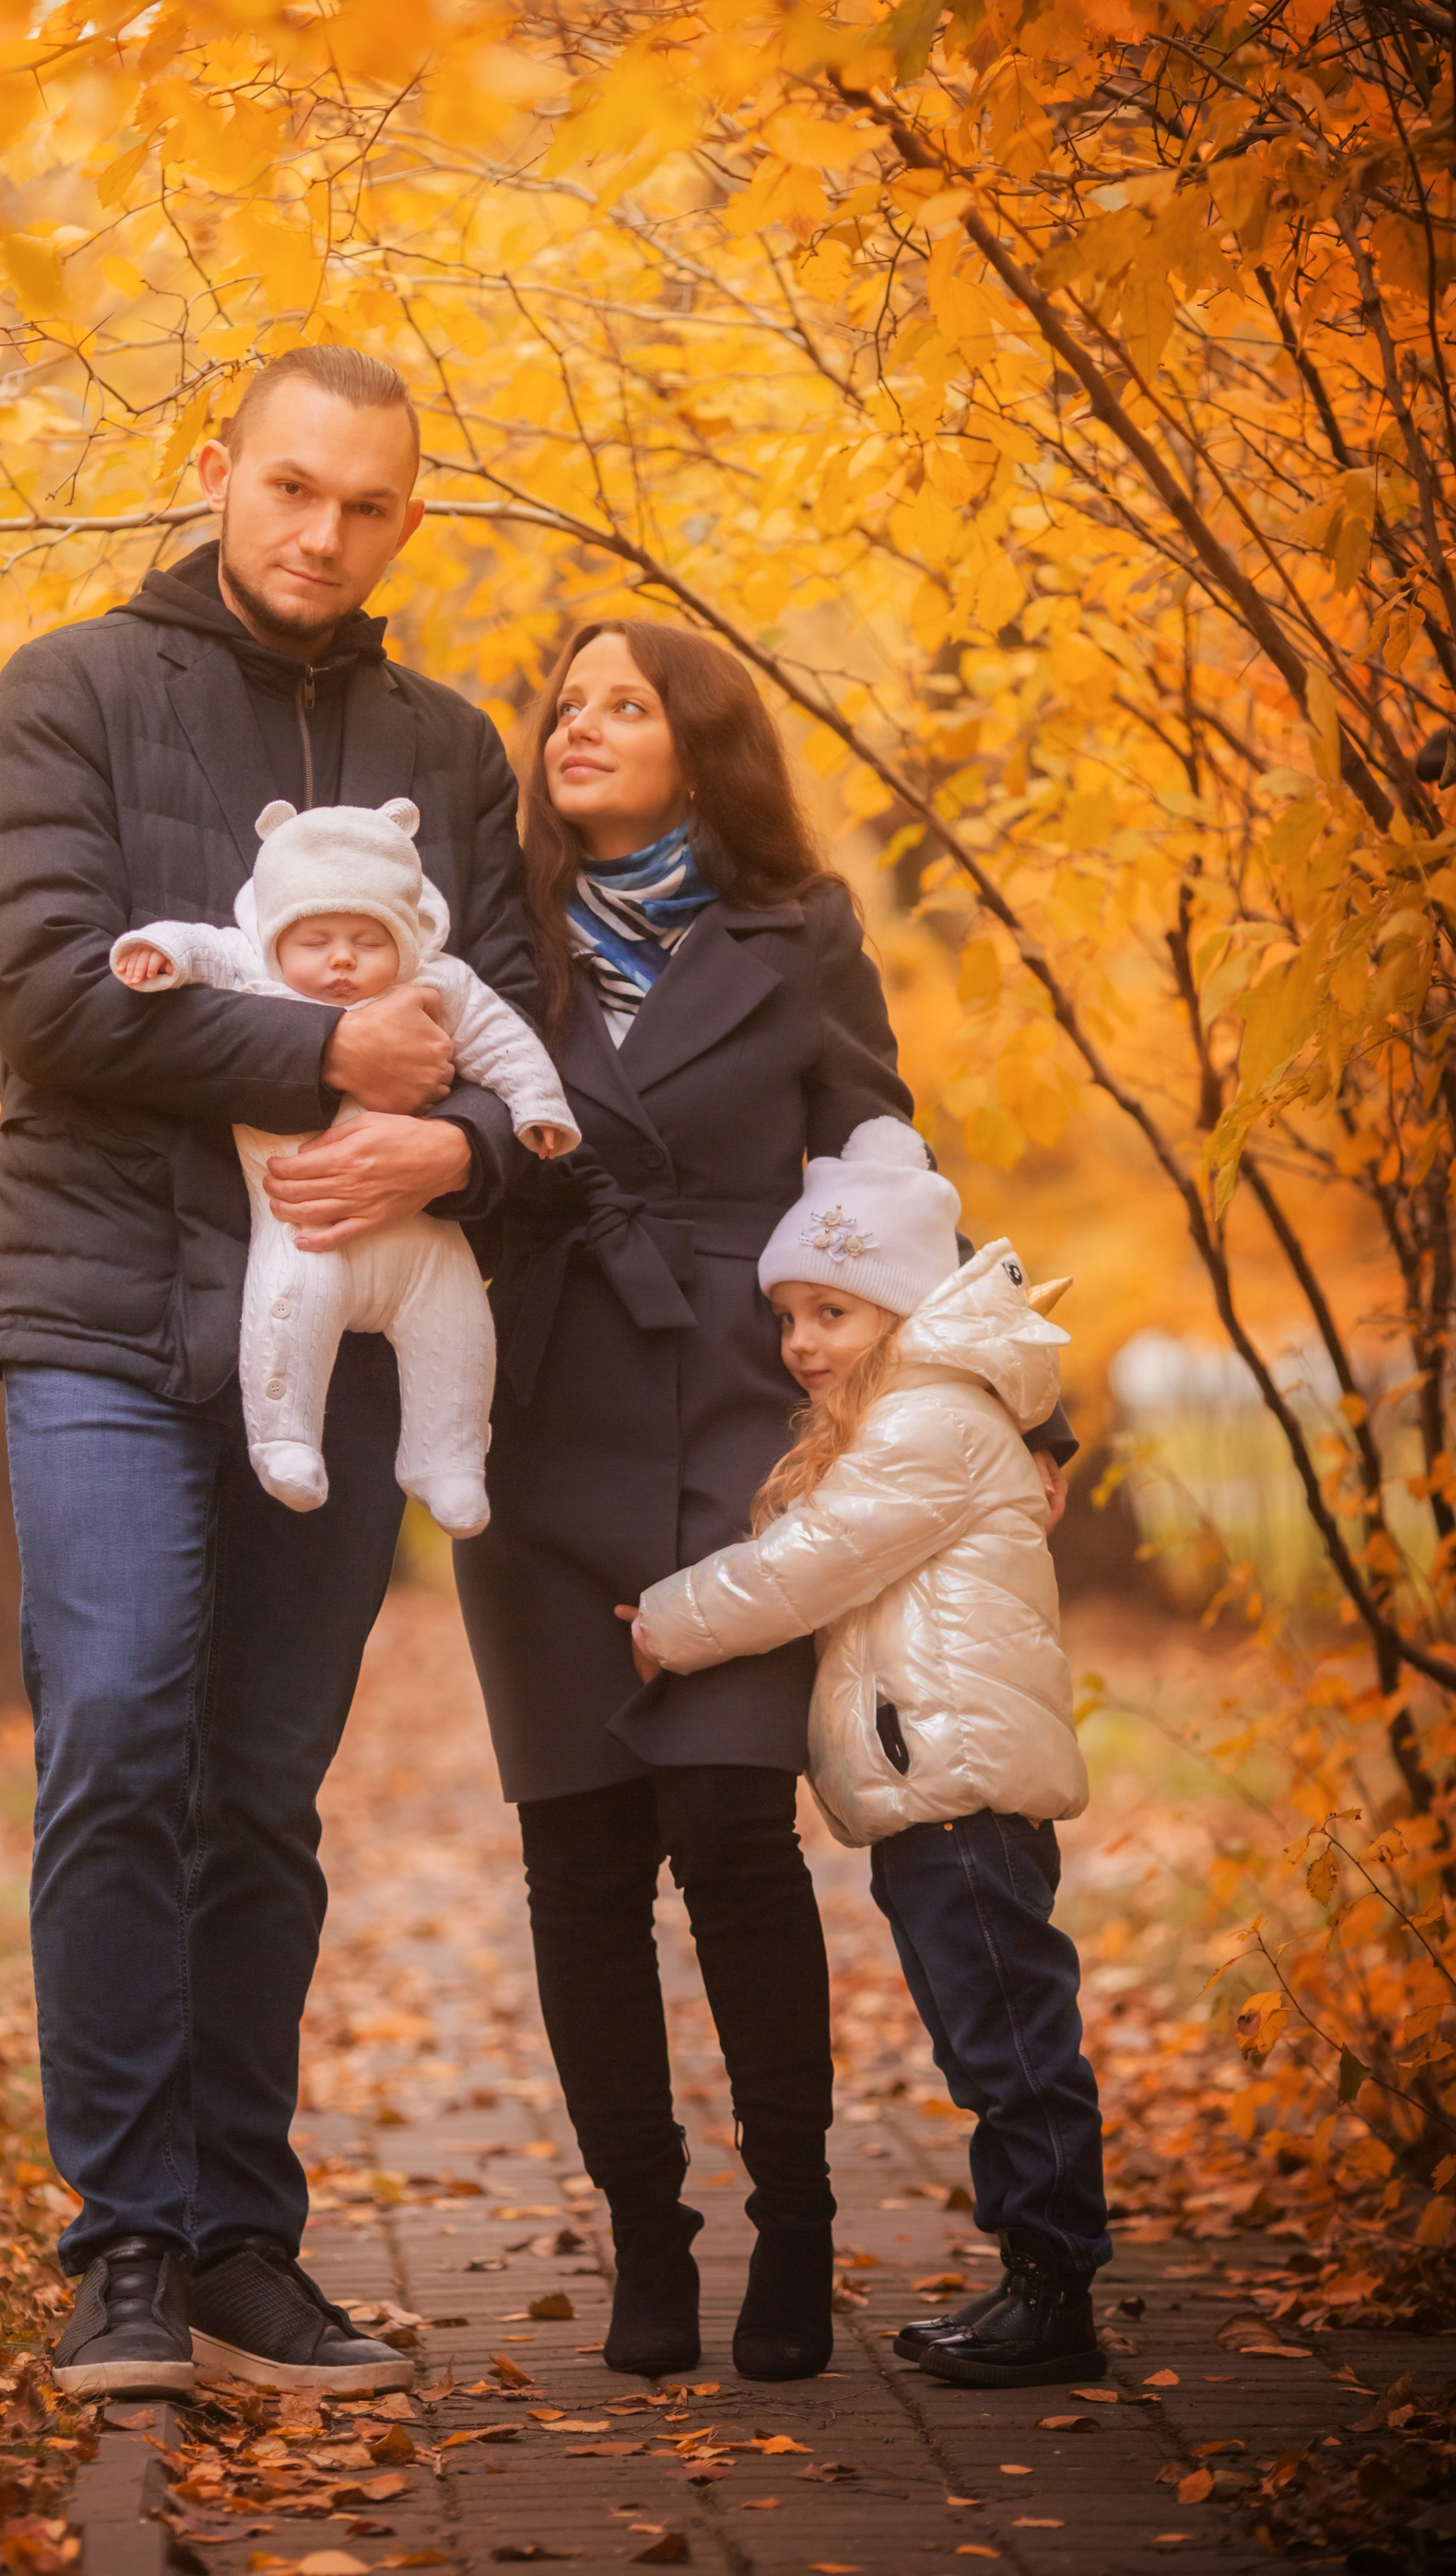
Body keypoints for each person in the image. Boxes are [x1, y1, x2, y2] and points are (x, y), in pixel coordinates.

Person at [0, 343, 537, 2399]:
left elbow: (521, 1037)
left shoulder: (447, 746)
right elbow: (50, 998)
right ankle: (118, 2243)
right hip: (105, 1314)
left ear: (407, 519)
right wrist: (331, 1059)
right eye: (292, 487)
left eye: (369, 504)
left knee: (260, 1792)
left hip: (354, 1335)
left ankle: (237, 2244)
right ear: (218, 472)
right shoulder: (73, 693)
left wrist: (454, 1143)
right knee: (119, 1732)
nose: (324, 533)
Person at [452, 619, 1074, 2386]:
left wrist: (1014, 1387)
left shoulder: (798, 938)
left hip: (747, 1423)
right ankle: (646, 2243)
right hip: (537, 1409)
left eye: (622, 706)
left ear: (698, 743)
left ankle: (789, 2231)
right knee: (574, 1860)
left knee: (730, 1835)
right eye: (562, 707)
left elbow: (892, 1187)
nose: (578, 730)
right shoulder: (491, 931)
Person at [628, 1118, 1110, 2388]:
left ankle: (1055, 2290)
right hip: (936, 1787)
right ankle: (1035, 2278)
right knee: (985, 2035)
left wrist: (667, 1625)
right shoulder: (906, 1418)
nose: (802, 1340)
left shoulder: (931, 1425)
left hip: (964, 1790)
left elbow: (809, 1566)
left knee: (1009, 2038)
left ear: (901, 1312)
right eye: (791, 1314)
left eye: (834, 1312)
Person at [110, 792, 576, 1535]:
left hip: (422, 1233)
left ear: (405, 936)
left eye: (366, 939)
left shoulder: (437, 984)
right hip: (308, 1224)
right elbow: (202, 944)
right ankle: (285, 1438)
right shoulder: (256, 974)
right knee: (287, 1310)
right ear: (276, 936)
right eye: (316, 939)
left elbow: (506, 1039)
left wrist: (538, 1110)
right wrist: (161, 955)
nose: (340, 959)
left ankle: (448, 1459)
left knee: (460, 1327)